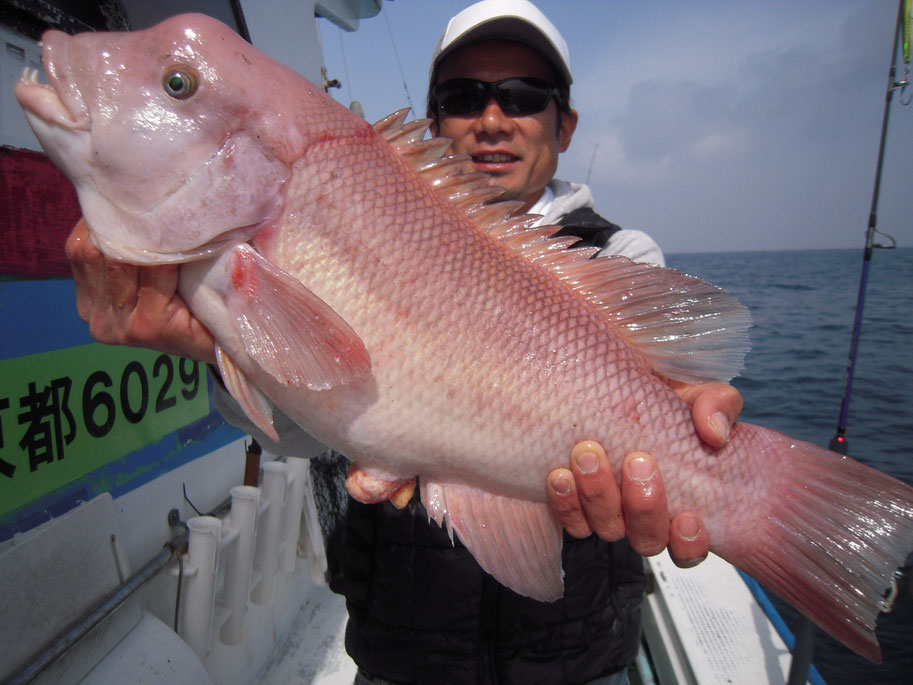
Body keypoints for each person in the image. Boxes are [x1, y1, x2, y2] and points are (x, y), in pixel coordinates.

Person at [64, 1, 742, 683]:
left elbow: (678, 394)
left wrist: (697, 437)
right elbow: (305, 437)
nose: (493, 118)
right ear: (432, 119)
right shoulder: (345, 209)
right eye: (463, 96)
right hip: (404, 657)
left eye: (524, 96)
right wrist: (220, 347)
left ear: (564, 124)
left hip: (578, 660)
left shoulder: (618, 257)